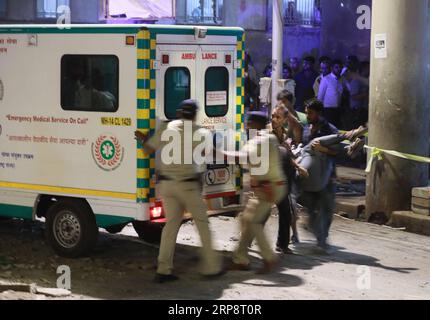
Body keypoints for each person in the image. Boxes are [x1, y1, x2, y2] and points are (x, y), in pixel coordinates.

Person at [134, 100, 224, 283]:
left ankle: (163, 270)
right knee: (202, 223)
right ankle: (211, 268)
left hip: (167, 185)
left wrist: (144, 140)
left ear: (180, 113)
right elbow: (208, 155)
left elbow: (147, 150)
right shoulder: (202, 133)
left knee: (171, 226)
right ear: (195, 114)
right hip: (187, 185)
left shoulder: (167, 128)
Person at [227, 112, 287, 274]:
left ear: (254, 123)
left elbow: (243, 157)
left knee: (253, 223)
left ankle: (269, 258)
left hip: (269, 188)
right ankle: (241, 259)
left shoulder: (261, 140)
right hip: (265, 187)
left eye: (249, 122)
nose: (247, 125)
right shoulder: (268, 137)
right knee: (246, 220)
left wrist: (219, 154)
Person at [270, 105, 309, 253]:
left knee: (286, 212)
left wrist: (298, 167)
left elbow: (287, 154)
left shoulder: (284, 134)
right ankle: (246, 239)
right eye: (273, 116)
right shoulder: (266, 134)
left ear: (285, 120)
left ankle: (282, 245)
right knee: (261, 213)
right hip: (270, 178)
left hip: (282, 177)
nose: (274, 119)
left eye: (278, 117)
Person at [317, 59, 344, 128]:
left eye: (340, 67)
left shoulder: (341, 79)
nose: (339, 69)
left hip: (338, 109)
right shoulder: (326, 79)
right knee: (329, 129)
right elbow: (320, 96)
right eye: (336, 67)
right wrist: (319, 110)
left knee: (337, 128)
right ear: (332, 68)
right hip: (328, 110)